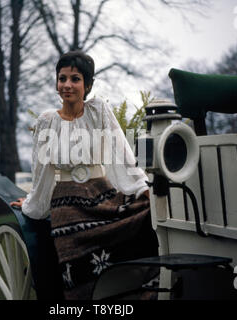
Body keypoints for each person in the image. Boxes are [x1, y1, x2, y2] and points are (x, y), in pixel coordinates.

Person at [10, 51, 158, 300]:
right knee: (78, 256)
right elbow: (42, 173)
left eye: (75, 79)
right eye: (62, 78)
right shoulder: (47, 121)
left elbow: (120, 153)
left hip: (103, 193)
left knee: (148, 213)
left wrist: (143, 188)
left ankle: (138, 290)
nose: (67, 85)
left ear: (87, 85)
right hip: (66, 202)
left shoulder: (98, 110)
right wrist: (33, 205)